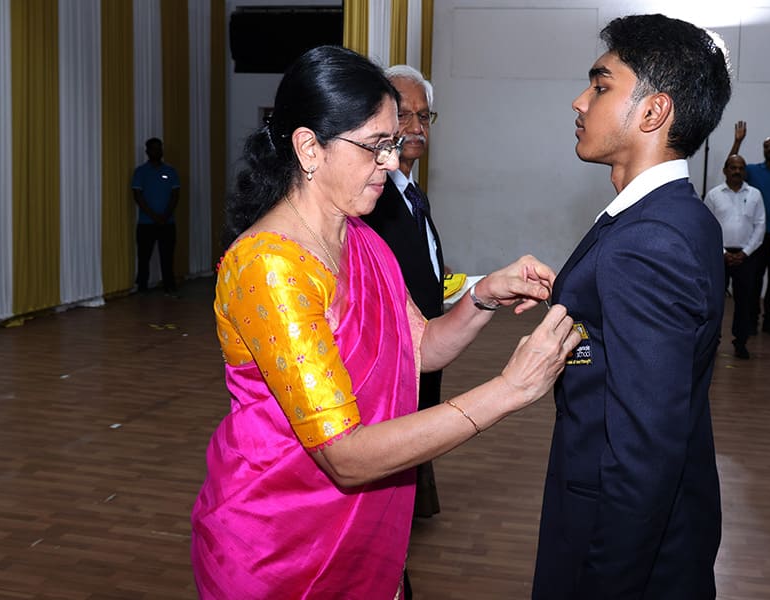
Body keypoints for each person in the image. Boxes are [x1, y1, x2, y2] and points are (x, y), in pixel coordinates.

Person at [189, 45, 581, 600]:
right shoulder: (270, 267)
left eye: (393, 143)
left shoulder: (362, 238)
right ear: (309, 148)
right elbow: (345, 456)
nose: (393, 163)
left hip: (364, 525)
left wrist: (483, 295)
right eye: (376, 146)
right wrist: (508, 390)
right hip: (282, 542)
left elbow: (419, 348)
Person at [532, 14, 731, 599]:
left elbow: (644, 449)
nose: (580, 101)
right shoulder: (675, 216)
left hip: (619, 537)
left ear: (652, 112)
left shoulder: (648, 240)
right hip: (660, 522)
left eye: (600, 86)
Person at [362, 64, 446, 521]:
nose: (416, 127)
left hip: (425, 344)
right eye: (403, 115)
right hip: (392, 351)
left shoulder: (411, 192)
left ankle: (406, 513)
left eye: (424, 116)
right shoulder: (370, 197)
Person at [730, 121, 770, 336]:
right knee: (754, 280)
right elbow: (731, 166)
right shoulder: (754, 171)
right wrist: (738, 142)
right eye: (766, 146)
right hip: (757, 236)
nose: (769, 149)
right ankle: (752, 319)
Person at [704, 155, 766, 359]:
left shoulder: (755, 194)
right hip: (718, 255)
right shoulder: (714, 195)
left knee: (745, 302)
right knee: (715, 302)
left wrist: (745, 252)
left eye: (740, 168)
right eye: (733, 167)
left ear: (745, 171)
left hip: (746, 256)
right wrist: (723, 252)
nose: (737, 171)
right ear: (725, 170)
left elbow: (760, 226)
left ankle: (741, 342)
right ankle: (712, 342)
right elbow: (706, 226)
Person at [131, 137, 180, 295]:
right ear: (147, 151)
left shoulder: (170, 171)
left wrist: (165, 215)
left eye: (159, 148)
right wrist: (154, 216)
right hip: (146, 223)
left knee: (167, 257)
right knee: (144, 257)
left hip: (167, 222)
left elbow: (175, 194)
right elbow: (137, 195)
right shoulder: (140, 172)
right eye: (153, 148)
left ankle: (169, 287)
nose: (157, 151)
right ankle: (142, 287)